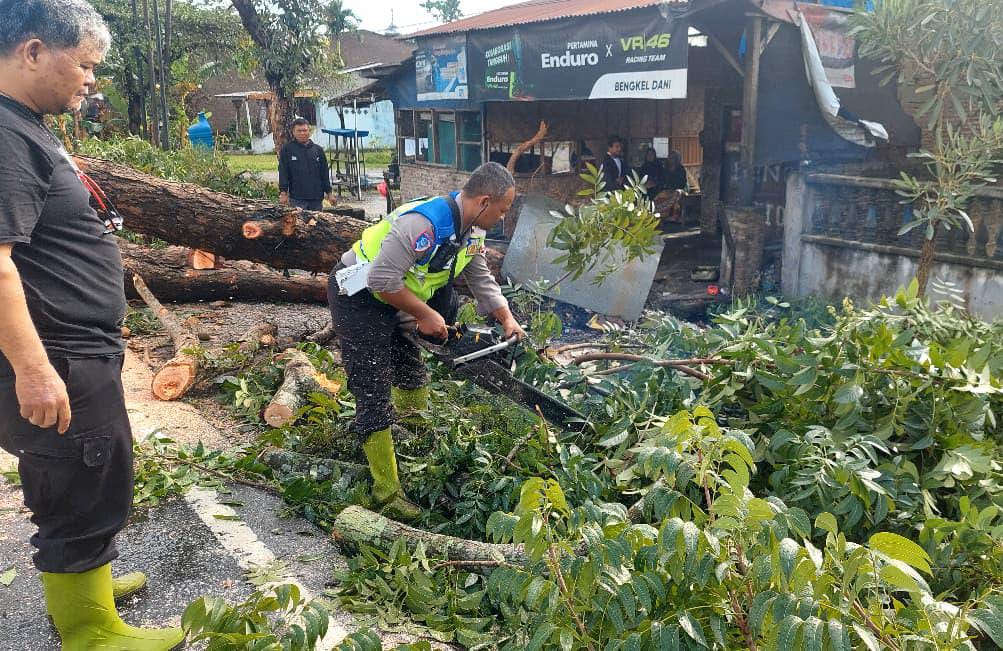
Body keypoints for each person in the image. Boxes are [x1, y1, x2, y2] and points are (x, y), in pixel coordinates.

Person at [0, 1, 184, 648]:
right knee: (76, 480)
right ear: (32, 52)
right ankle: (91, 630)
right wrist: (31, 367)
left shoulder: (28, 125)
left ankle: (89, 588)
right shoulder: (5, 138)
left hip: (80, 351)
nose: (90, 80)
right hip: (58, 357)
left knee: (95, 474)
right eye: (84, 65)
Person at [328, 162, 526, 520]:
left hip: (397, 295)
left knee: (410, 369)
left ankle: (413, 442)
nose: (503, 217)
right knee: (372, 385)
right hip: (358, 295)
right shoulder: (424, 225)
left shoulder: (472, 233)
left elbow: (479, 277)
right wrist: (423, 314)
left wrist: (507, 318)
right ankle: (387, 494)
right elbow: (382, 280)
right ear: (484, 201)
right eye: (503, 209)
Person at [278, 117, 333, 211]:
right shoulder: (287, 150)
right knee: (299, 224)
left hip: (316, 198)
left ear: (309, 131)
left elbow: (324, 173)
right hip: (297, 198)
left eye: (305, 130)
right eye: (299, 131)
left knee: (316, 223)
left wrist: (329, 193)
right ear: (293, 132)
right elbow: (283, 172)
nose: (302, 133)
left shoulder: (318, 150)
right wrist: (283, 193)